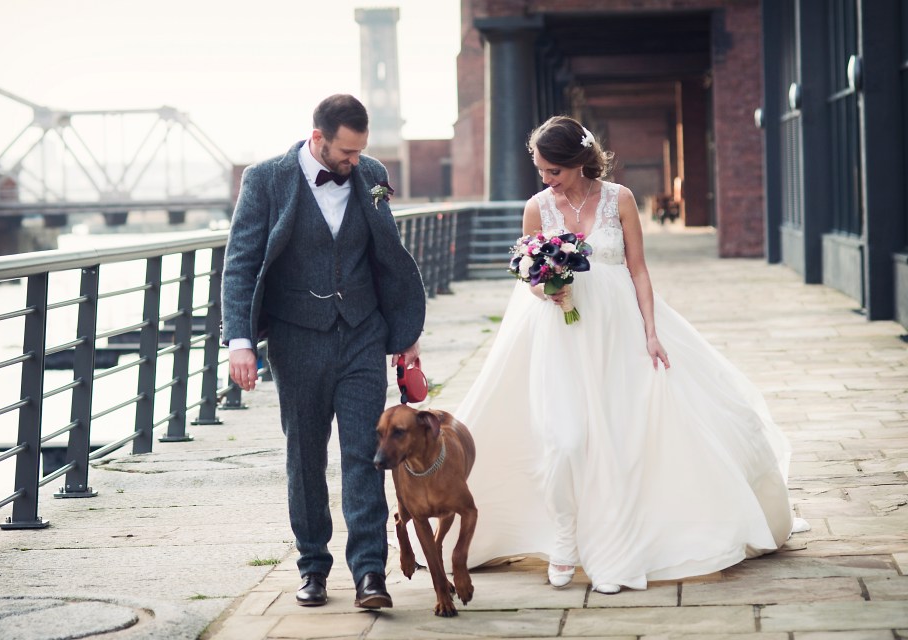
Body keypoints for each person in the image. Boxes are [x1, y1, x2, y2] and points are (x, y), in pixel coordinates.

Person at [417, 115, 804, 594]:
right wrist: (548, 291)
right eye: (540, 170)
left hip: (619, 332)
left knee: (621, 440)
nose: (545, 179)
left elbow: (637, 271)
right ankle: (563, 537)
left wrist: (652, 333)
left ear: (578, 162)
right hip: (560, 336)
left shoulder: (619, 199)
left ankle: (617, 548)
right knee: (564, 440)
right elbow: (528, 278)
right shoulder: (537, 208)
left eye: (553, 170)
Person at [221, 94, 426, 609]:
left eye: (359, 153)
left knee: (366, 453)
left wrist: (404, 333)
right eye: (345, 153)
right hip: (296, 339)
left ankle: (369, 575)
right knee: (305, 458)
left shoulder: (371, 172)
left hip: (362, 335)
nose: (354, 163)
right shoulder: (265, 178)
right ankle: (312, 566)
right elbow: (241, 262)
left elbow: (388, 256)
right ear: (317, 139)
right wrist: (240, 342)